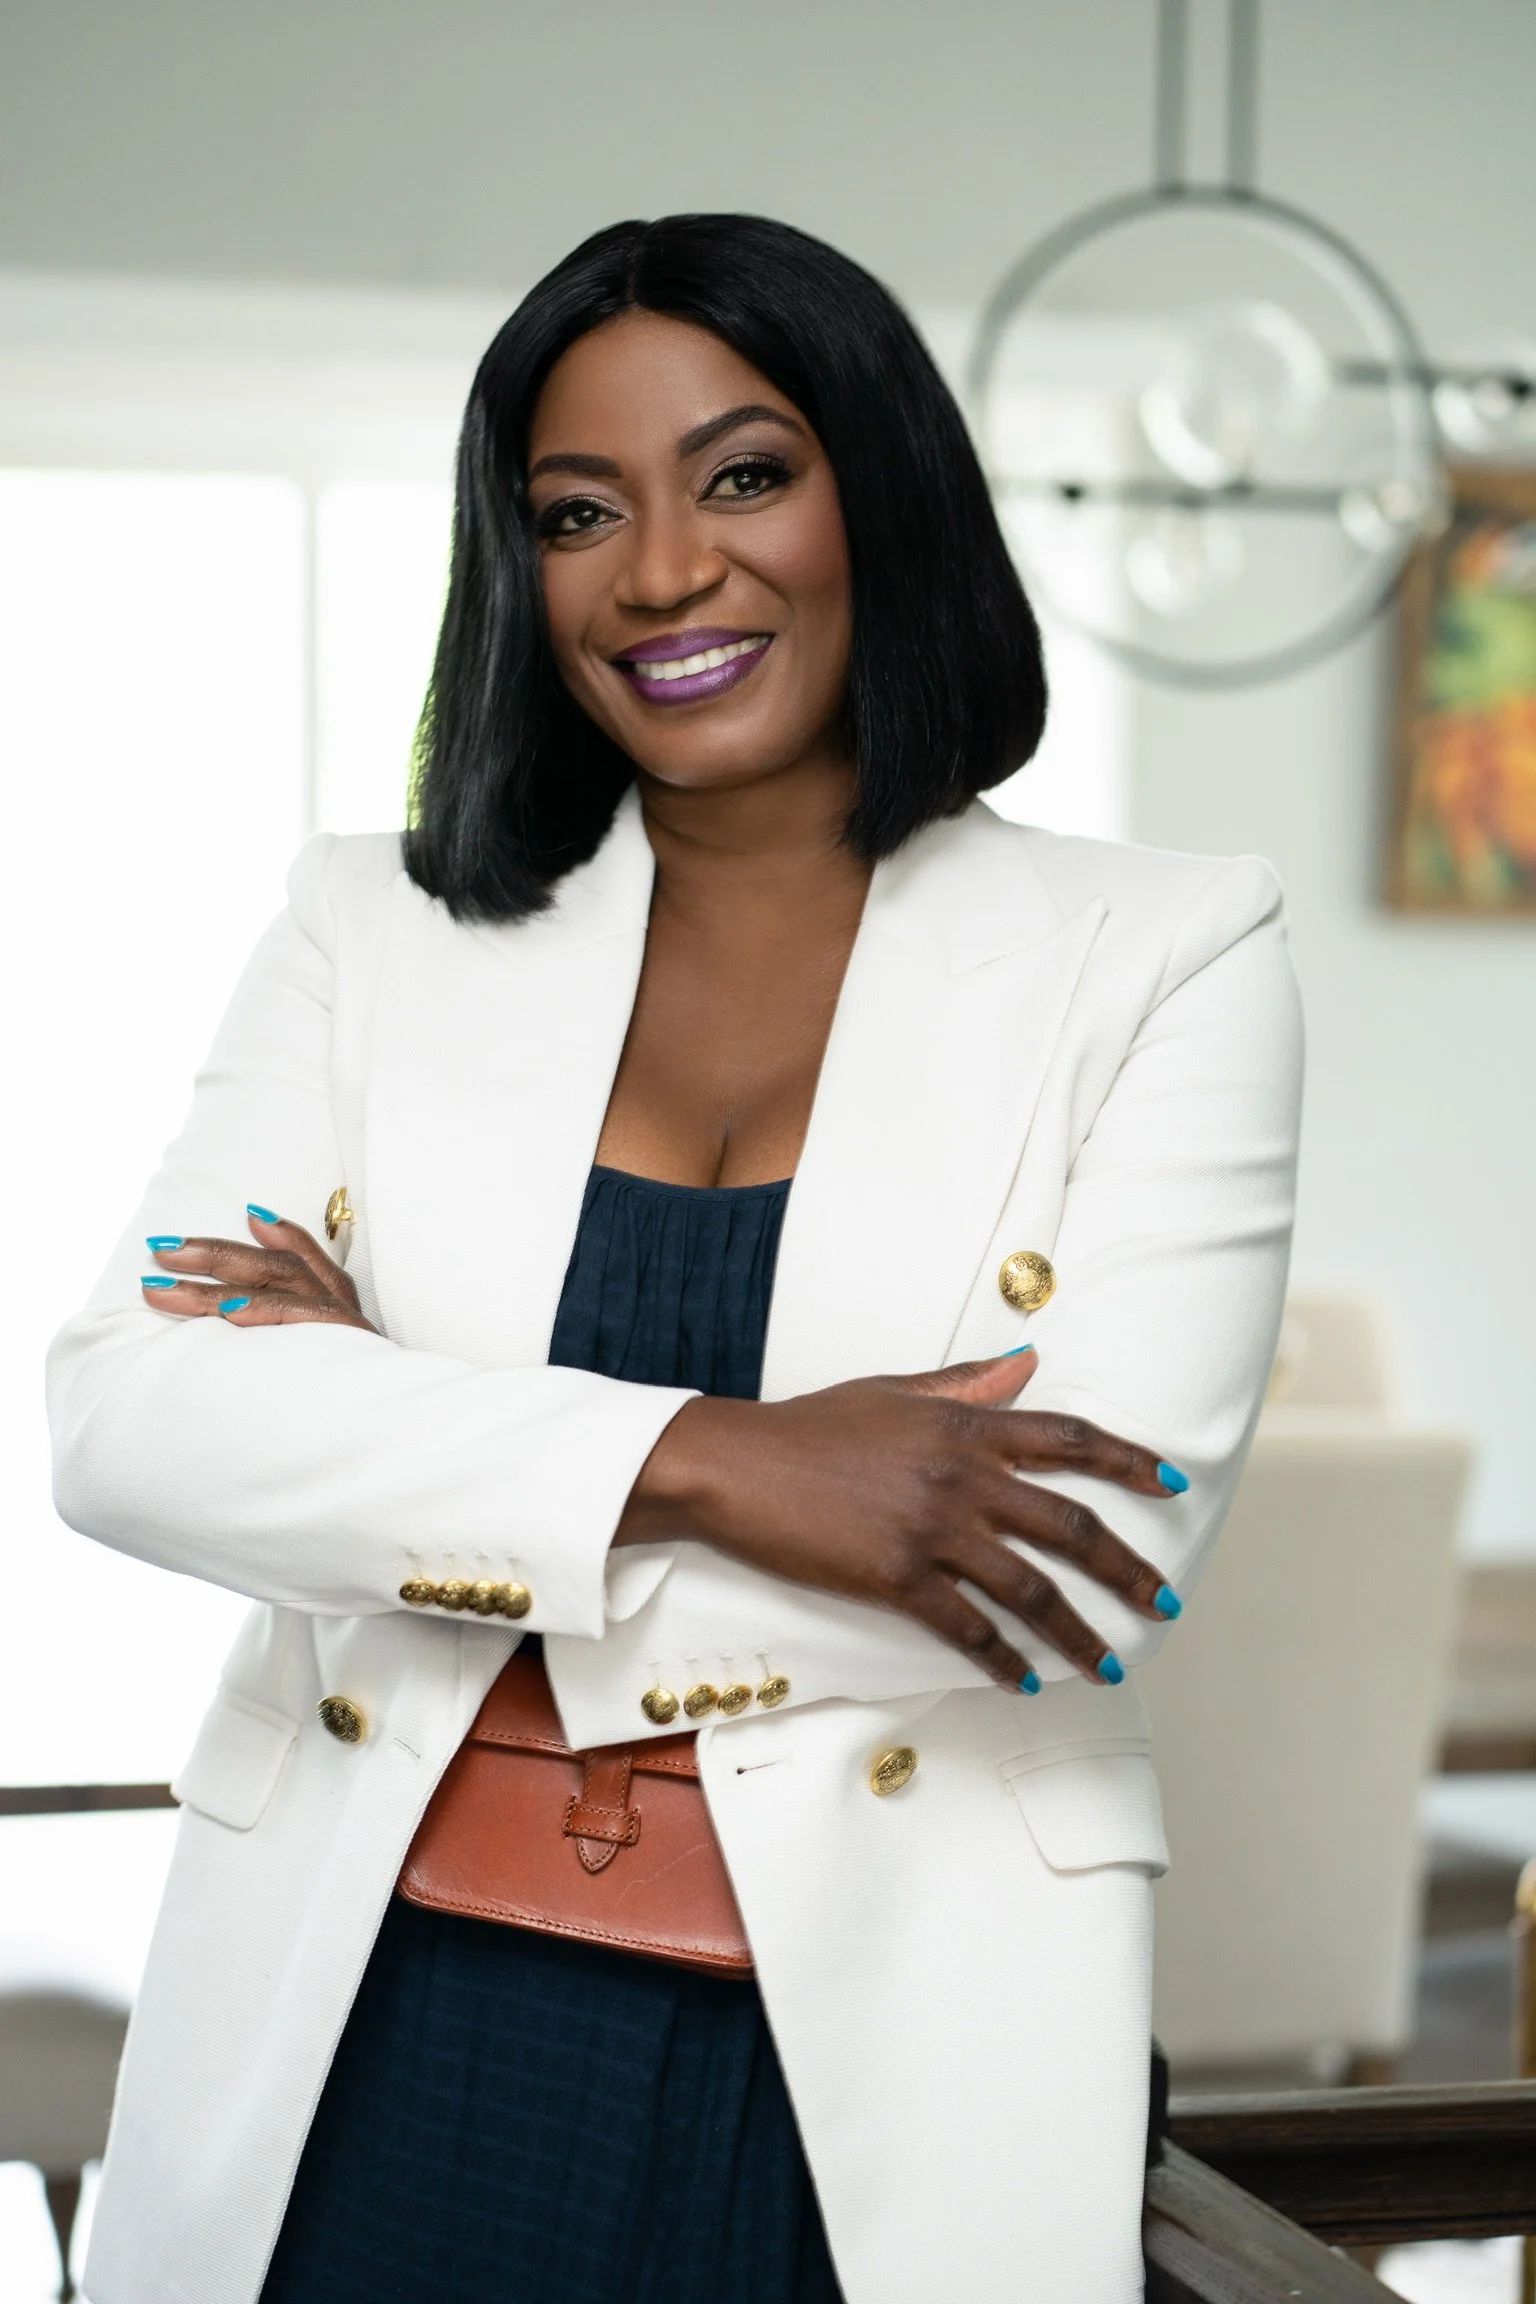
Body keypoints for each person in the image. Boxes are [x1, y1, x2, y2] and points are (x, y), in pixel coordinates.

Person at [47, 213, 1302, 2304]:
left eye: (744, 475)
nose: (659, 574)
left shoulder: (1162, 949)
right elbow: (134, 1422)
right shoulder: (370, 927)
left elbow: (1085, 1559)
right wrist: (732, 1463)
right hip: (370, 2002)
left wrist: (386, 1437)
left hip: (876, 2041)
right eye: (573, 511)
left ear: (876, 492)